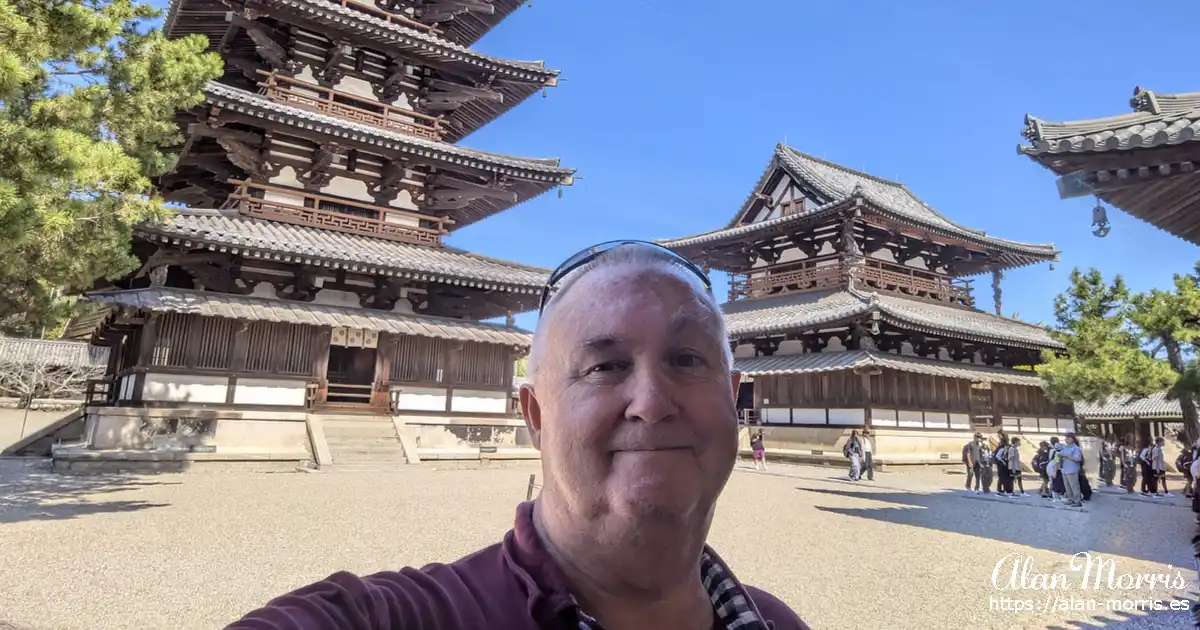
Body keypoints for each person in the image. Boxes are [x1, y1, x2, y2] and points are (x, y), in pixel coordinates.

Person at [225, 241, 809, 629]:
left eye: (686, 359)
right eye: (604, 366)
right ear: (535, 414)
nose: (651, 404)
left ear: (732, 401)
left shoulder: (777, 623)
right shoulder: (408, 617)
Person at [1059, 433, 1084, 508]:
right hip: (1064, 469)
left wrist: (1068, 456)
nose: (1066, 440)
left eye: (1068, 438)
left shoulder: (1076, 448)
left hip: (1072, 469)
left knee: (1074, 486)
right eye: (1065, 438)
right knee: (1067, 486)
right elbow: (1061, 455)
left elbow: (1078, 459)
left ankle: (1077, 500)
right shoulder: (1065, 447)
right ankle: (1070, 499)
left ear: (1072, 439)